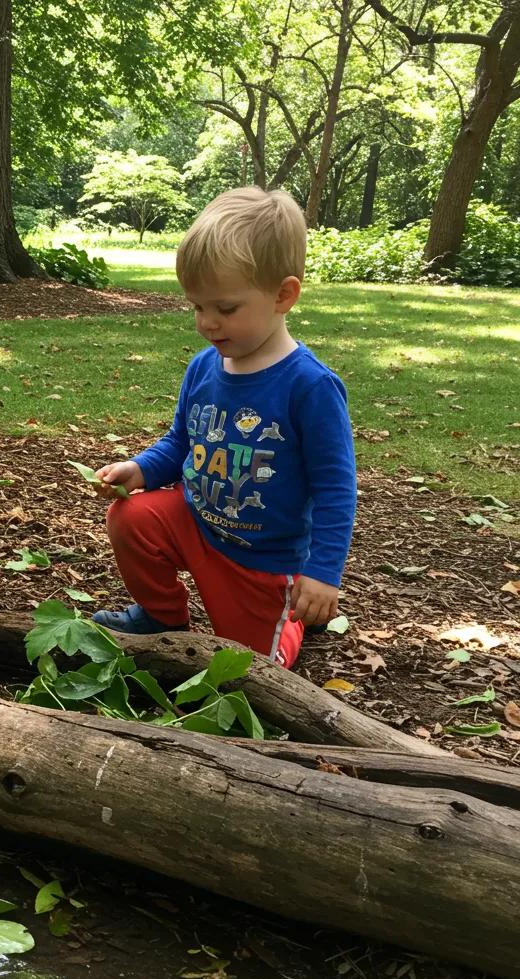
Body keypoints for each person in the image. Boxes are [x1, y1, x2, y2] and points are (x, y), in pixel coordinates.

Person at [92, 187, 356, 668]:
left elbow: (336, 486)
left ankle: (295, 616)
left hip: (264, 561)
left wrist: (322, 574)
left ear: (284, 295)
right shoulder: (204, 367)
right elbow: (181, 442)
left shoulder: (309, 386)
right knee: (131, 517)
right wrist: (140, 469)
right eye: (197, 306)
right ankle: (162, 618)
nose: (207, 323)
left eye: (226, 308)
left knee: (250, 672)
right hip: (198, 525)